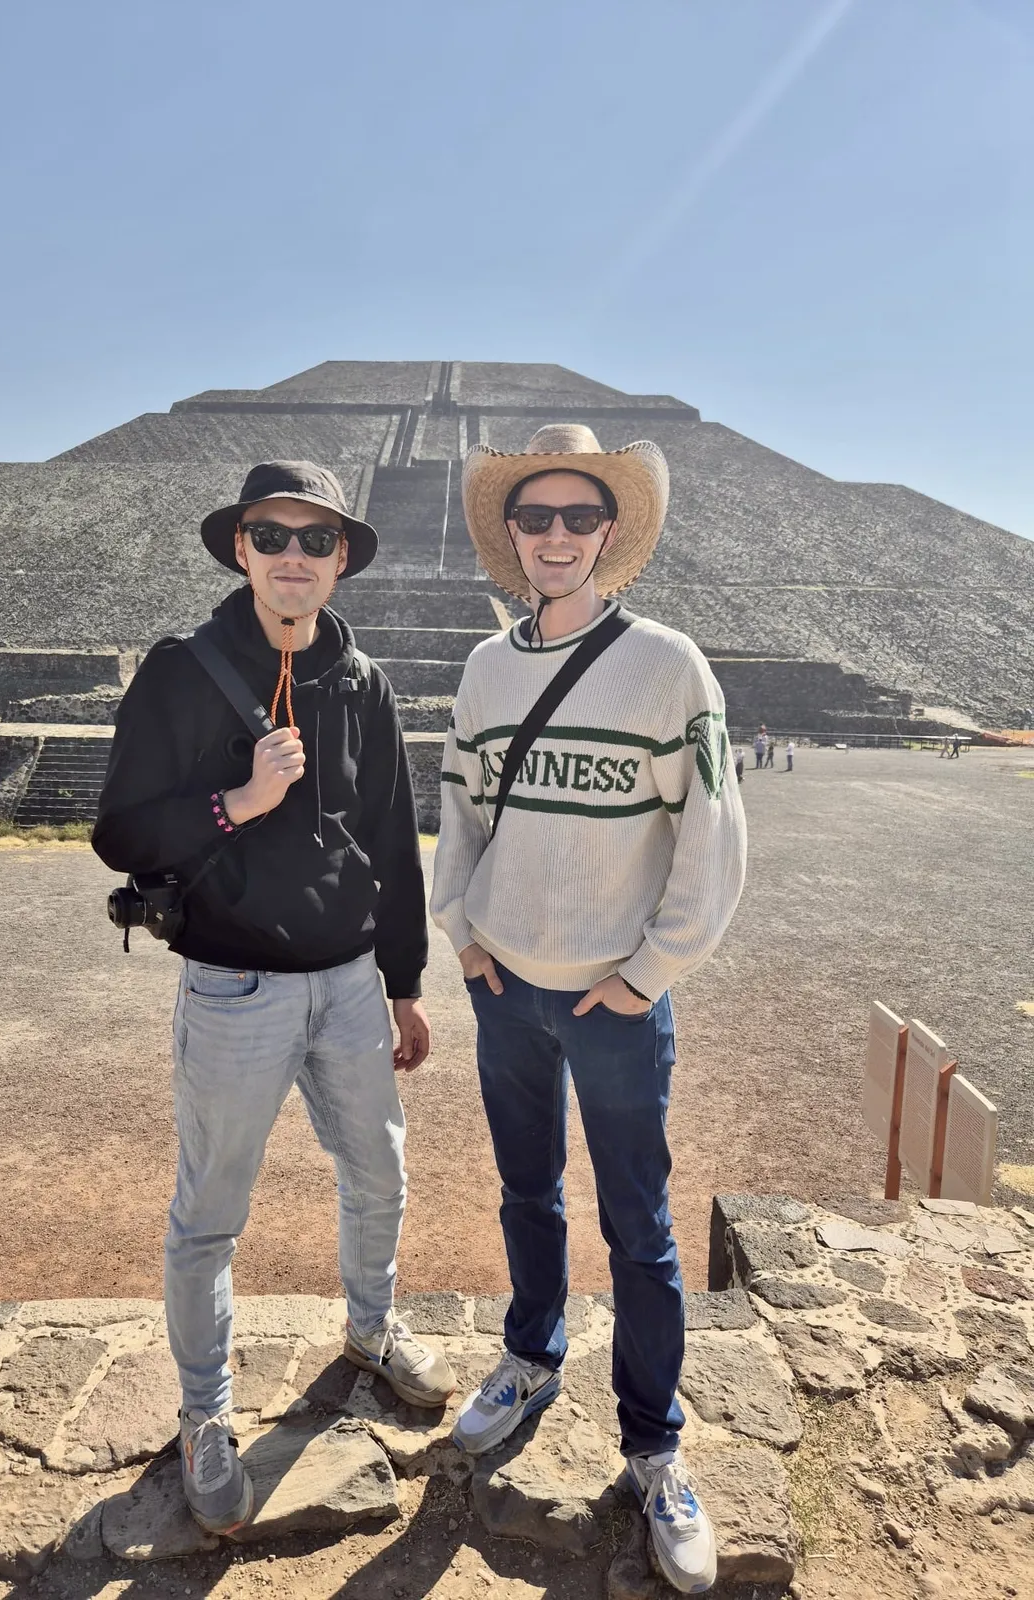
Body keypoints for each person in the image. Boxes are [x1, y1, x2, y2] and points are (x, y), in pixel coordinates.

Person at [93, 460, 456, 1537]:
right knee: (209, 1215)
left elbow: (394, 839)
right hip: (235, 984)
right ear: (240, 548)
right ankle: (207, 1415)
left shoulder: (367, 683)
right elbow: (119, 829)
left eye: (314, 539)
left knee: (380, 1175)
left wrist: (404, 982)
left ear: (341, 557)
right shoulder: (178, 673)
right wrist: (235, 801)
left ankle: (373, 1328)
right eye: (272, 535)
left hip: (348, 983)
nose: (293, 555)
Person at [432, 425, 746, 1595]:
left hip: (614, 998)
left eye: (578, 517)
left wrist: (648, 974)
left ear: (612, 534)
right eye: (535, 519)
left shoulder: (669, 665)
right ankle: (530, 1354)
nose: (556, 535)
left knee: (640, 1227)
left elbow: (711, 842)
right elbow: (458, 812)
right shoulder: (483, 667)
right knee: (524, 1187)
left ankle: (655, 1443)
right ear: (509, 539)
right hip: (508, 986)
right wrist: (460, 932)